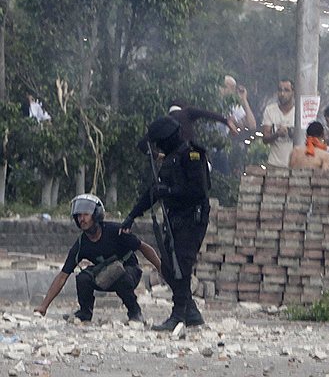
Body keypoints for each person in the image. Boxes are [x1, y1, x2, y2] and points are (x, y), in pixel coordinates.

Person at [122, 116, 210, 331]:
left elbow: (199, 191)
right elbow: (153, 192)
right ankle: (190, 312)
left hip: (192, 219)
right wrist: (132, 215)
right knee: (170, 268)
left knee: (181, 266)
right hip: (175, 220)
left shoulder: (192, 155)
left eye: (158, 142)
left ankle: (179, 315)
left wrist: (169, 192)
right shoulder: (170, 159)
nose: (157, 147)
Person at [35, 194, 162, 323]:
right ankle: (85, 313)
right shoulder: (81, 244)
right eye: (79, 216)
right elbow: (63, 276)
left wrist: (161, 268)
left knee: (121, 276)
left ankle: (135, 312)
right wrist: (44, 306)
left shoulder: (115, 231)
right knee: (83, 278)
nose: (81, 219)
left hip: (129, 272)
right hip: (104, 275)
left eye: (85, 215)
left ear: (96, 215)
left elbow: (144, 247)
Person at [261, 79, 296, 168]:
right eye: (280, 90)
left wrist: (290, 132)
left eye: (286, 90)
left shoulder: (299, 112)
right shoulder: (270, 110)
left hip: (295, 164)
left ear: (293, 92)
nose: (282, 94)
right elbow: (265, 139)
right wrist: (277, 134)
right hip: (274, 164)